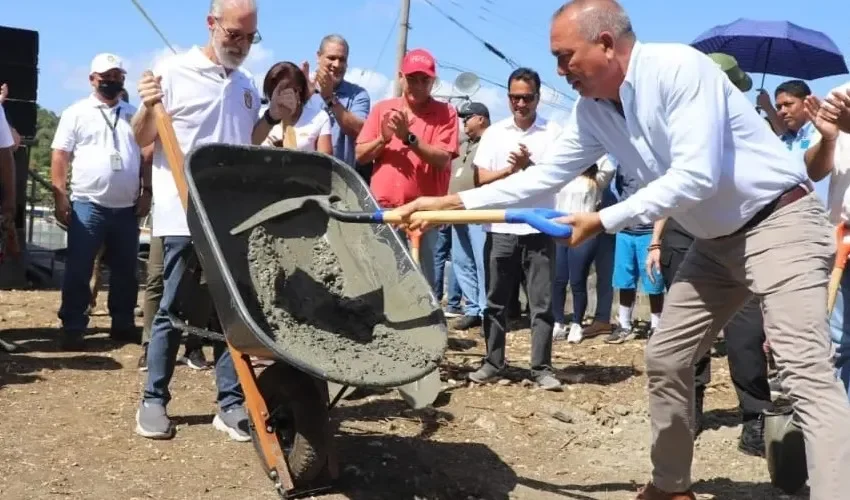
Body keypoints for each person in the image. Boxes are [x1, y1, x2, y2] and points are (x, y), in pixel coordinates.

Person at [392, 1, 850, 498]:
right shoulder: (593, 112)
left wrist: (603, 218)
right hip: (714, 242)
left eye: (565, 56)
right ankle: (671, 486)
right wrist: (451, 200)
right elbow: (546, 175)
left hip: (778, 220)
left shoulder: (678, 70)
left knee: (806, 372)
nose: (559, 70)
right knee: (668, 356)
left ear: (606, 44)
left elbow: (695, 176)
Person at [131, 0, 280, 441]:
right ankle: (153, 401)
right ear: (211, 24)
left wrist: (270, 117)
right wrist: (146, 106)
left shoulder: (248, 83)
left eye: (250, 37)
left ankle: (230, 404)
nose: (242, 45)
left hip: (228, 218)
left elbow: (245, 140)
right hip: (181, 213)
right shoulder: (172, 72)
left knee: (229, 313)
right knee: (172, 309)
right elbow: (143, 138)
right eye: (234, 34)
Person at [465, 67, 562, 391]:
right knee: (495, 301)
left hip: (539, 228)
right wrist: (512, 169)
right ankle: (493, 362)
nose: (520, 104)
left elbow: (558, 176)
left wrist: (530, 167)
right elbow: (480, 180)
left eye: (527, 97)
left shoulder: (553, 132)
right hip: (502, 226)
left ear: (538, 97)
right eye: (514, 97)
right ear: (507, 97)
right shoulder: (495, 133)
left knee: (542, 304)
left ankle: (542, 368)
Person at [50, 53, 149, 350]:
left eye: (118, 75)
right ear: (92, 79)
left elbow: (147, 156)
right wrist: (60, 195)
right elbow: (60, 155)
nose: (112, 81)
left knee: (126, 271)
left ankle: (122, 324)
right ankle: (73, 325)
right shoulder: (76, 112)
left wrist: (147, 192)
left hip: (127, 207)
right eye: (106, 76)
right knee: (79, 268)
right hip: (87, 204)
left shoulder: (135, 114)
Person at [354, 48, 459, 290]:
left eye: (425, 80)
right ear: (401, 78)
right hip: (385, 211)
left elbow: (442, 159)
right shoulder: (383, 108)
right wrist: (383, 138)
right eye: (412, 79)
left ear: (433, 82)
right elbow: (361, 156)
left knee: (422, 284)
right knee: (380, 277)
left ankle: (426, 325)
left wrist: (407, 137)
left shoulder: (446, 113)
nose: (418, 86)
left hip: (424, 216)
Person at [804, 82, 850, 399]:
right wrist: (831, 138)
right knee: (839, 343)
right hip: (843, 241)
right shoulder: (840, 96)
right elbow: (815, 170)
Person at [552, 156, 615, 343]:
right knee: (559, 279)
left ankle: (577, 323)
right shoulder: (563, 176)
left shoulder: (596, 180)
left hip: (584, 233)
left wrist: (594, 147)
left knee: (577, 279)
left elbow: (610, 165)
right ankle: (558, 321)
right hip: (560, 230)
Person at [307, 34, 370, 171]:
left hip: (340, 181)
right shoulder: (303, 88)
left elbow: (360, 131)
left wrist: (329, 98)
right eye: (332, 58)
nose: (337, 65)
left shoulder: (358, 95)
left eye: (342, 59)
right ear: (318, 56)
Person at [260, 62, 332, 154]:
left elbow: (326, 163)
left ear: (299, 88)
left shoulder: (319, 117)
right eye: (274, 91)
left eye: (285, 89)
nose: (280, 95)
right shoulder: (261, 117)